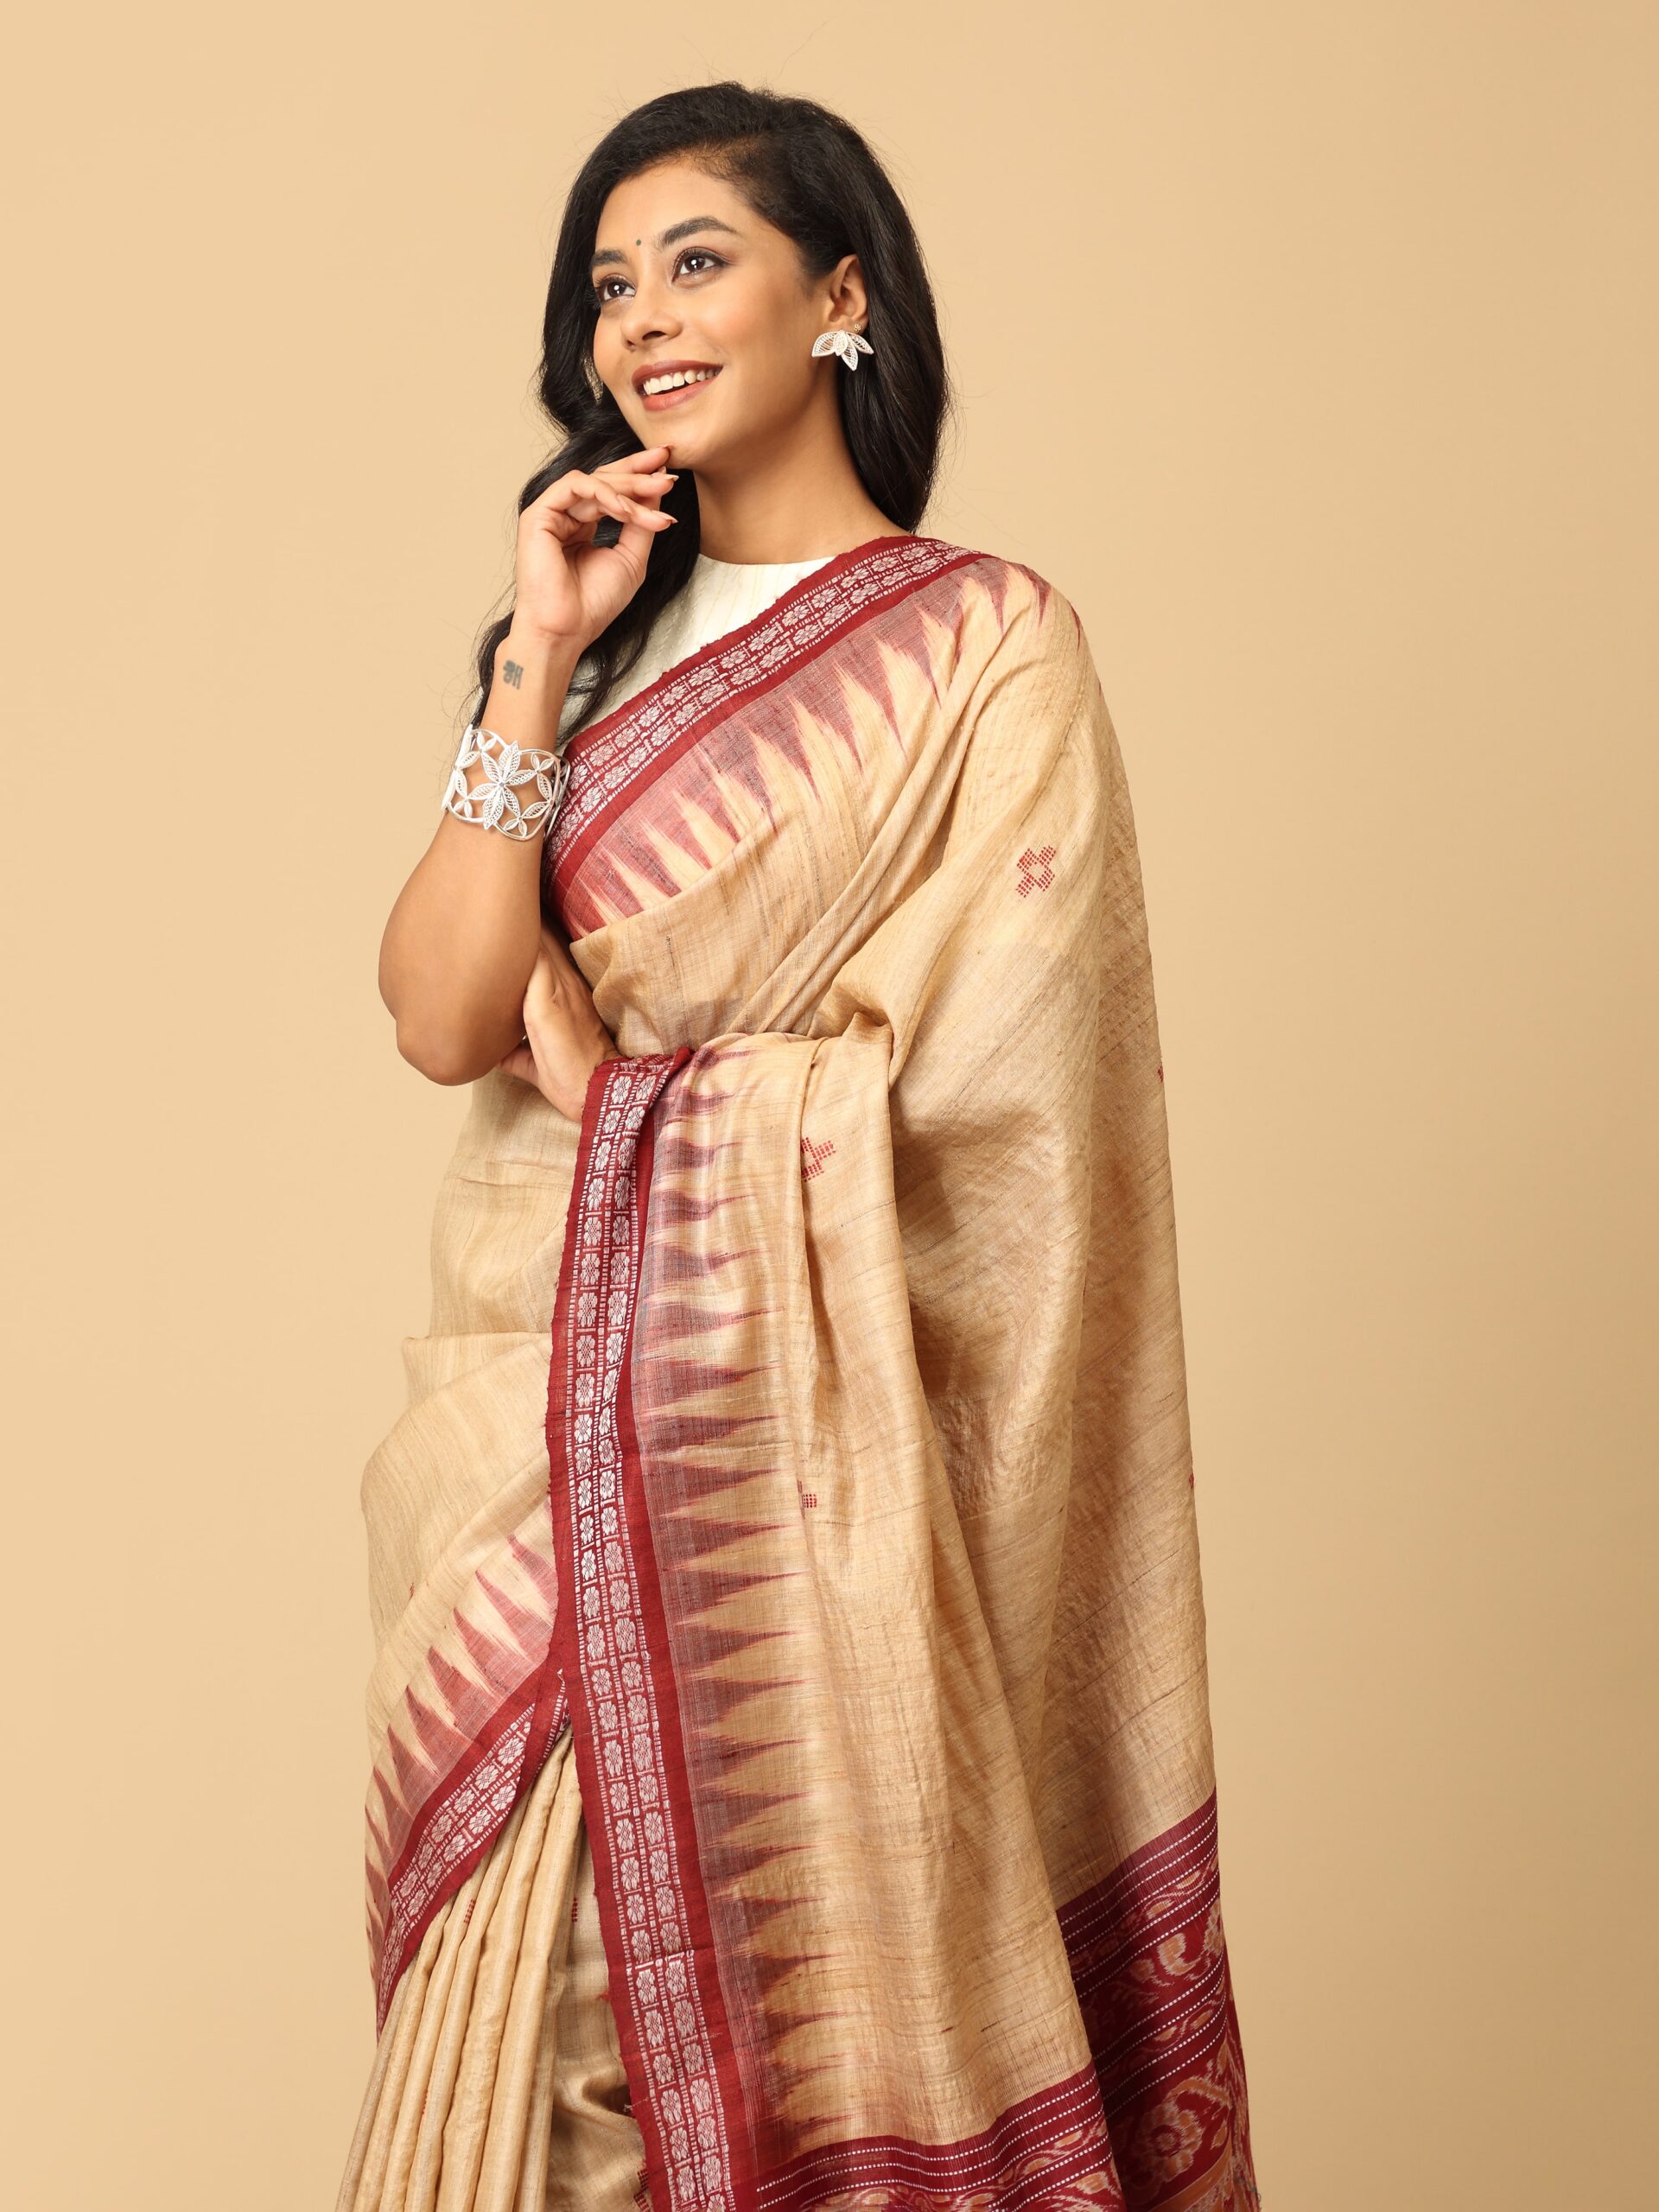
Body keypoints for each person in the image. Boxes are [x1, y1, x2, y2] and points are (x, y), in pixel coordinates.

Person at [335, 79, 1262, 2212]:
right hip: (536, 1458)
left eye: (697, 262)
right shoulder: (592, 648)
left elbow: (1012, 1116)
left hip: (801, 1488)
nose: (643, 321)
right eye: (609, 287)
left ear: (841, 296)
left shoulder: (986, 647)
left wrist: (641, 1103)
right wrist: (535, 657)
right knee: (525, 2059)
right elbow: (443, 1015)